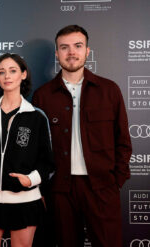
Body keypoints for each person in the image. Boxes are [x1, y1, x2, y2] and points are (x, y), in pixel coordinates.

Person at [32, 25, 132, 247]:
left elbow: (123, 141)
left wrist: (116, 181)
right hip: (60, 190)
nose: (71, 52)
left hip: (102, 187)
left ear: (87, 51)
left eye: (78, 46)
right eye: (64, 47)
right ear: (57, 54)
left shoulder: (109, 90)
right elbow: (35, 148)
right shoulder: (43, 96)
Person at [0, 53, 54, 247]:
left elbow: (47, 162)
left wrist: (30, 180)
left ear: (23, 75)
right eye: (1, 72)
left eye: (13, 70)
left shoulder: (36, 117)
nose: (7, 76)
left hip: (24, 202)